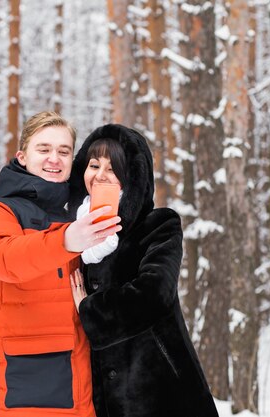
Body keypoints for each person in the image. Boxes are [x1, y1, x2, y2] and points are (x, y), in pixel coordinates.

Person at [0, 111, 121, 417]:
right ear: (23, 156)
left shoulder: (76, 216)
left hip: (86, 387)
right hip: (31, 388)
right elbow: (4, 258)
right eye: (44, 149)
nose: (54, 158)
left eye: (63, 151)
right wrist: (66, 242)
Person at [68, 124, 219, 417]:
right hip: (106, 402)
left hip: (163, 392)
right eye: (94, 164)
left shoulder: (159, 225)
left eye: (113, 169)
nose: (100, 175)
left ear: (132, 177)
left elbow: (154, 292)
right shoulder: (74, 237)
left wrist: (91, 309)